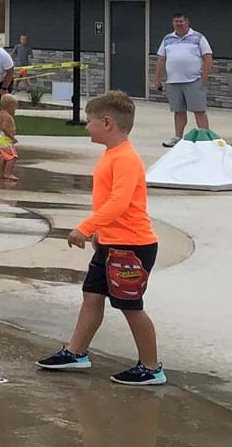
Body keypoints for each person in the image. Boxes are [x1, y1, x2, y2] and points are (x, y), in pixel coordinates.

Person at [36, 91, 165, 386]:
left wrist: (85, 226)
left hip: (132, 246)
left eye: (89, 121)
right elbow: (112, 203)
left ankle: (151, 366)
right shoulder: (112, 155)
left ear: (107, 123)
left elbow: (119, 203)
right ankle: (76, 352)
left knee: (130, 306)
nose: (86, 126)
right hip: (112, 242)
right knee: (92, 296)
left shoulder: (126, 159)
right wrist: (100, 232)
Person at [154, 12, 214, 147]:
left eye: (180, 21)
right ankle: (177, 137)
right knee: (178, 111)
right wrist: (157, 79)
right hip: (173, 81)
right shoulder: (167, 39)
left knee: (199, 110)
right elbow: (161, 59)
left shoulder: (198, 37)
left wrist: (204, 78)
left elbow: (208, 57)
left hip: (193, 80)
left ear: (187, 22)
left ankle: (206, 139)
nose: (178, 23)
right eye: (175, 21)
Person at [0, 93, 20, 174]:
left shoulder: (2, 113)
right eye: (14, 108)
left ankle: (1, 173)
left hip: (2, 139)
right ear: (10, 106)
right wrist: (12, 137)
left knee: (4, 157)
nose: (15, 110)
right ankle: (7, 173)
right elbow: (4, 128)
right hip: (6, 139)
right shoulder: (7, 116)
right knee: (12, 157)